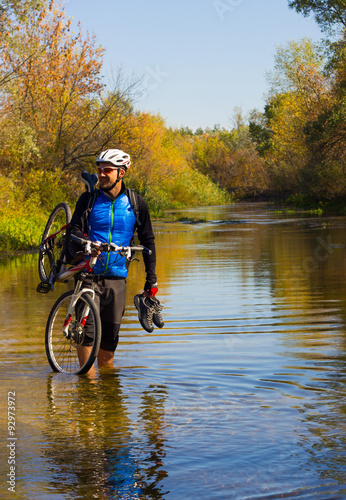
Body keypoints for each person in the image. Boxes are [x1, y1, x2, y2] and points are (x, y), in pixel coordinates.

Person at [67, 149, 163, 368]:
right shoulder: (88, 200)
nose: (101, 174)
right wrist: (85, 246)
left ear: (121, 173)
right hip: (88, 274)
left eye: (107, 170)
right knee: (87, 336)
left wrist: (152, 281)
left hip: (117, 278)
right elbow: (73, 231)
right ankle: (88, 392)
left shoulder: (136, 203)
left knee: (109, 344)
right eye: (99, 170)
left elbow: (148, 242)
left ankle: (110, 397)